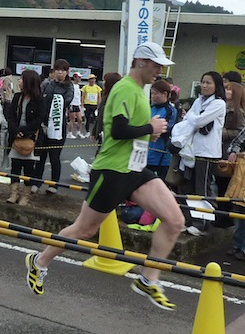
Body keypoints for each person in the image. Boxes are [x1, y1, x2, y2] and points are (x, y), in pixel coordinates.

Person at [25, 41, 185, 311]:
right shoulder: (124, 88)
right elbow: (120, 130)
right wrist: (150, 126)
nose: (159, 71)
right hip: (111, 170)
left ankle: (149, 278)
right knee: (85, 229)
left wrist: (150, 132)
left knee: (175, 220)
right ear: (141, 62)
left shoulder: (139, 90)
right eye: (156, 65)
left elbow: (131, 129)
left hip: (134, 170)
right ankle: (39, 261)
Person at [31, 59, 74, 194]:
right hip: (43, 125)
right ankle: (36, 182)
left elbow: (67, 101)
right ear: (54, 71)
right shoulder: (47, 84)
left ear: (67, 72)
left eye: (62, 70)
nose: (59, 72)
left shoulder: (69, 87)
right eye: (57, 70)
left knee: (54, 157)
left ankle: (54, 184)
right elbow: (38, 97)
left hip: (57, 127)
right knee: (40, 157)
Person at [6, 70, 45, 206]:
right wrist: (15, 130)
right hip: (16, 138)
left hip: (31, 138)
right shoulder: (17, 97)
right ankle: (13, 193)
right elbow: (10, 116)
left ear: (29, 82)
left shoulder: (39, 99)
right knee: (15, 167)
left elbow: (39, 119)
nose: (19, 82)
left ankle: (25, 196)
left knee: (29, 168)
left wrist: (24, 131)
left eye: (21, 79)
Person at [213, 81, 245, 228]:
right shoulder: (220, 106)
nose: (226, 91)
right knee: (220, 185)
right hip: (219, 150)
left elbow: (239, 132)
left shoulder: (238, 112)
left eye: (229, 89)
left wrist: (221, 132)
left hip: (229, 153)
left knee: (227, 186)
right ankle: (221, 216)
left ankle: (225, 218)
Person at [147, 80, 177, 180]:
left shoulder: (170, 111)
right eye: (152, 94)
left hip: (161, 156)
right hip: (146, 154)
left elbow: (165, 129)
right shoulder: (150, 108)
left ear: (165, 94)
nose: (153, 96)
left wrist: (151, 127)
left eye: (156, 94)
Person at [91, 72, 122, 155]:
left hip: (109, 134)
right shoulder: (105, 97)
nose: (103, 83)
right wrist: (94, 131)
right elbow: (99, 116)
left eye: (105, 81)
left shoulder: (116, 98)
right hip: (102, 133)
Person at [81, 74, 102, 138]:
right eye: (92, 79)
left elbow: (99, 97)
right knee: (87, 119)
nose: (93, 80)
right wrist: (82, 104)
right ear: (89, 80)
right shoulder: (85, 87)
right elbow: (83, 96)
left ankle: (96, 132)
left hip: (94, 105)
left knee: (96, 119)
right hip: (87, 104)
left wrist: (99, 105)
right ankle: (87, 131)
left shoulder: (97, 88)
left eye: (94, 79)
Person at [67, 72, 85, 139]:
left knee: (80, 119)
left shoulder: (78, 86)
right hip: (72, 104)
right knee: (72, 119)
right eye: (78, 77)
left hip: (78, 104)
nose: (80, 79)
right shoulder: (71, 85)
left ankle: (78, 132)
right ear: (74, 77)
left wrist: (81, 104)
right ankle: (70, 133)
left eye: (80, 77)